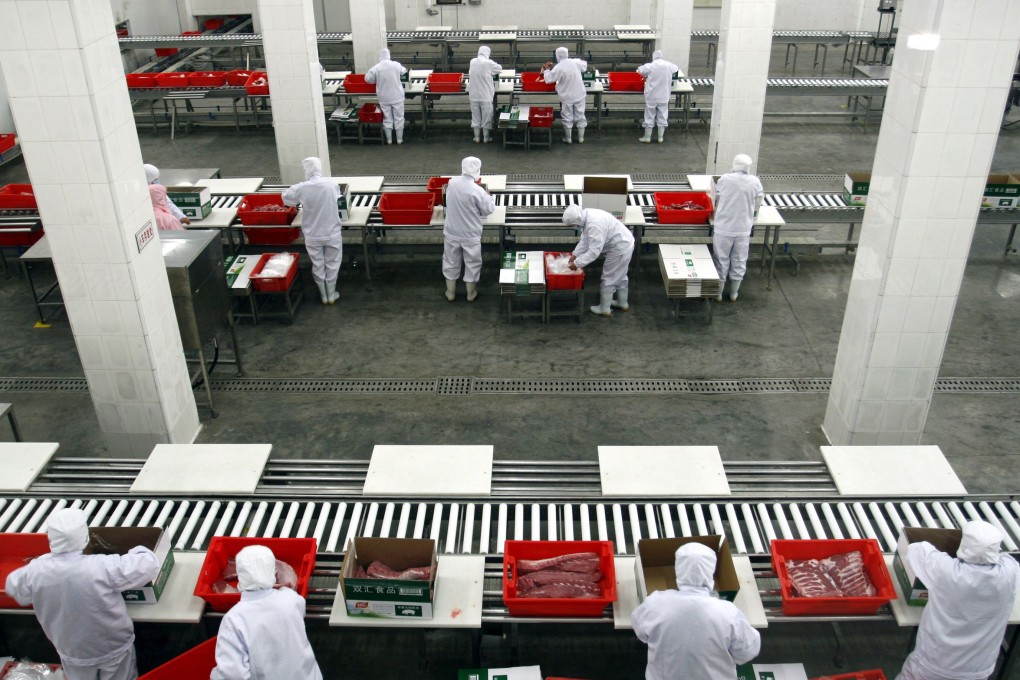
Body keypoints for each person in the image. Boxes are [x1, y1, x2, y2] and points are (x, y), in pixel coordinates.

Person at [5, 508, 160, 680]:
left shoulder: (36, 569)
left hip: (72, 652)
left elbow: (14, 588)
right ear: (83, 535)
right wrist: (138, 550)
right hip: (113, 648)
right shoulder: (100, 567)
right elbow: (149, 564)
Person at [896, 520, 1019, 680]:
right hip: (979, 670)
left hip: (933, 666)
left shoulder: (948, 571)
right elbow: (1006, 558)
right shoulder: (1009, 572)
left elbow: (916, 549)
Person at [632, 543, 761, 680]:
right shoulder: (728, 613)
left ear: (678, 570)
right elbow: (747, 652)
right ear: (710, 571)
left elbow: (641, 633)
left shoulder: (655, 604)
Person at [211, 545, 321, 680]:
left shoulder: (234, 619)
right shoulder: (291, 599)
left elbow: (232, 675)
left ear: (240, 574)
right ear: (272, 571)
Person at [283, 157, 343, 305]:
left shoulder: (302, 187)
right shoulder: (331, 185)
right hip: (332, 232)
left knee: (318, 263)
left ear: (306, 171)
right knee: (333, 262)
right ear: (319, 169)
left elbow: (285, 197)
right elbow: (339, 199)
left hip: (313, 234)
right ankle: (331, 294)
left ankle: (323, 295)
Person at [563, 204, 635, 316]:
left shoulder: (594, 224)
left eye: (572, 225)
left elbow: (594, 252)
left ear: (577, 221)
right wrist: (575, 254)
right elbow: (586, 240)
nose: (573, 227)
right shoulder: (586, 216)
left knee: (609, 277)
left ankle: (604, 308)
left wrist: (576, 264)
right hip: (624, 242)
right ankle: (622, 303)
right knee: (620, 275)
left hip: (620, 247)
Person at [712, 153, 763, 303]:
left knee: (721, 259)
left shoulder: (725, 179)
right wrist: (753, 216)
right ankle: (734, 293)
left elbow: (717, 198)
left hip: (724, 227)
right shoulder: (754, 181)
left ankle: (718, 294)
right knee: (739, 259)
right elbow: (758, 201)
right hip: (743, 229)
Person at [443, 157, 495, 302]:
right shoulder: (477, 190)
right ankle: (470, 294)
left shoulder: (452, 182)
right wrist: (488, 196)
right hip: (470, 235)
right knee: (472, 263)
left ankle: (450, 293)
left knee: (450, 262)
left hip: (452, 231)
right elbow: (487, 210)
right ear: (477, 171)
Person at [543, 47, 588, 144]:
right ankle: (581, 138)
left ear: (557, 56)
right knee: (580, 115)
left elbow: (548, 79)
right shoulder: (575, 62)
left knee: (567, 117)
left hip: (567, 96)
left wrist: (546, 69)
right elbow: (584, 66)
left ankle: (568, 139)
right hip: (579, 93)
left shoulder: (559, 67)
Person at [365, 48, 408, 145]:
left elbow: (367, 79)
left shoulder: (376, 67)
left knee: (387, 118)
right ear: (389, 55)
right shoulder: (396, 64)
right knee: (399, 117)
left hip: (384, 97)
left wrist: (376, 80)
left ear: (380, 57)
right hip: (397, 96)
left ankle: (389, 140)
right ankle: (399, 139)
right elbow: (404, 71)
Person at [637, 51, 679, 143]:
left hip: (652, 96)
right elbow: (676, 69)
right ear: (662, 57)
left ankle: (647, 137)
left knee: (649, 116)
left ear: (654, 57)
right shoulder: (669, 65)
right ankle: (660, 138)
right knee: (663, 116)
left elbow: (639, 70)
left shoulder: (651, 66)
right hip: (664, 96)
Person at [468, 46, 502, 144]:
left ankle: (477, 138)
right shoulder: (488, 63)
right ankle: (486, 139)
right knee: (487, 117)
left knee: (475, 117)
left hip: (473, 95)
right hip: (485, 96)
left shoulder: (472, 61)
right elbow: (499, 68)